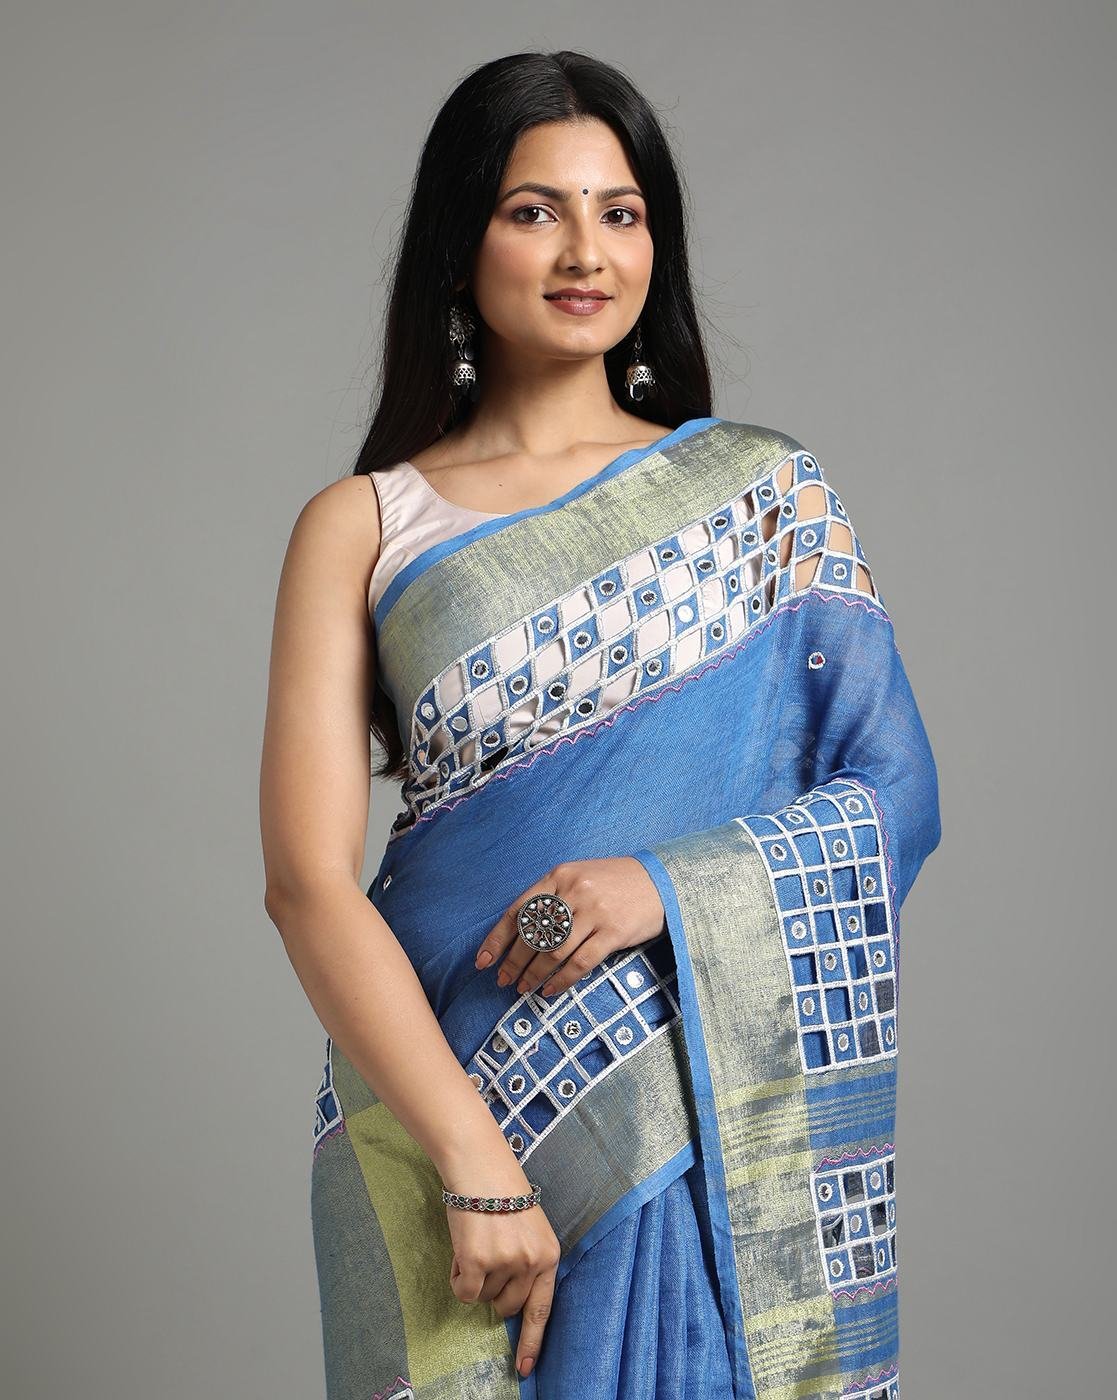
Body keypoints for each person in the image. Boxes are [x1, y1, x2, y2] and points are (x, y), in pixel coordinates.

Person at [259, 49, 940, 1400]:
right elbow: (306, 884)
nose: (585, 251)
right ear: (460, 244)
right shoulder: (367, 524)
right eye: (535, 210)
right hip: (450, 1103)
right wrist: (473, 1166)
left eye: (619, 212)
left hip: (691, 1114)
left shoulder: (762, 495)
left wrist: (661, 888)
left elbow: (892, 793)